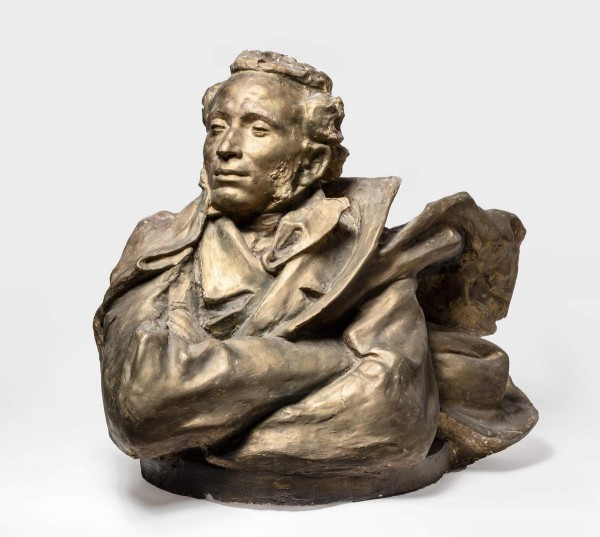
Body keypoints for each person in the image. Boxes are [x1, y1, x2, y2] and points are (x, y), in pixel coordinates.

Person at [94, 51, 537, 473]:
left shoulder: (362, 251)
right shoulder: (161, 242)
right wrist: (335, 359)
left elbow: (392, 412)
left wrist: (210, 409)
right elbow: (141, 405)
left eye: (258, 129)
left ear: (311, 163)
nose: (226, 147)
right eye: (216, 127)